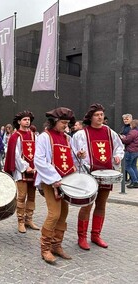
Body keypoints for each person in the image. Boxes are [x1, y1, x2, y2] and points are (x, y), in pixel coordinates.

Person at [72, 103, 124, 250]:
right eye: (97, 115)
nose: (100, 117)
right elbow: (74, 152)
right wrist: (79, 155)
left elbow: (119, 147)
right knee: (87, 205)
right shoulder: (82, 134)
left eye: (101, 114)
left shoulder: (109, 132)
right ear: (91, 117)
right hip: (89, 175)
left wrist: (117, 157)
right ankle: (82, 237)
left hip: (106, 173)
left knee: (101, 205)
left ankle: (96, 235)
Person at [34, 107, 80, 264]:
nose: (65, 126)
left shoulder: (68, 138)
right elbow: (39, 160)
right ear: (54, 122)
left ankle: (56, 245)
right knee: (54, 213)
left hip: (65, 181)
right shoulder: (44, 137)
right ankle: (45, 248)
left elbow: (70, 158)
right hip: (50, 181)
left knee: (64, 213)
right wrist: (54, 179)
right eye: (63, 123)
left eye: (67, 123)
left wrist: (79, 156)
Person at [4, 111, 39, 233]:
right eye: (25, 119)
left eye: (28, 120)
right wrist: (25, 167)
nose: (27, 122)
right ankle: (20, 221)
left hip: (33, 170)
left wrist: (35, 167)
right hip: (21, 171)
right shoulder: (15, 136)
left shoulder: (34, 135)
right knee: (22, 196)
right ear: (19, 121)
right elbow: (16, 155)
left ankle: (29, 219)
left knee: (32, 196)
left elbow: (38, 153)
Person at [120, 119, 138, 188]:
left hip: (130, 151)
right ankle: (136, 180)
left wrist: (122, 138)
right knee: (134, 166)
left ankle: (135, 181)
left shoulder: (132, 132)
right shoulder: (137, 131)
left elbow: (127, 141)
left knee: (127, 166)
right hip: (136, 151)